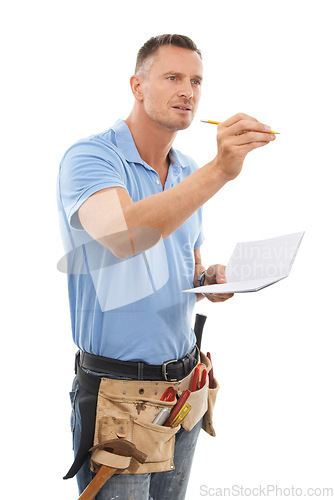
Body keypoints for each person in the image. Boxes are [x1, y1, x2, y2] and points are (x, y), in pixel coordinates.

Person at [57, 34, 276, 499]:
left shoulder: (187, 169)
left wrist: (209, 281)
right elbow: (123, 236)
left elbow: (185, 265)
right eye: (172, 77)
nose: (188, 91)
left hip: (185, 391)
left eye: (196, 80)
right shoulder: (92, 158)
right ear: (137, 86)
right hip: (120, 402)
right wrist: (220, 170)